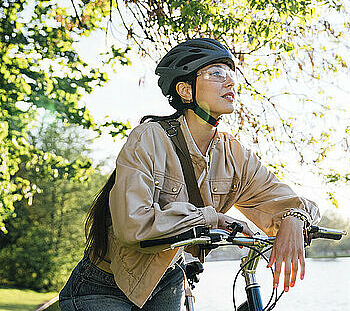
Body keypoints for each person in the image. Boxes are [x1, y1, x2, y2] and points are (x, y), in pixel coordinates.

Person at [59, 38, 320, 310]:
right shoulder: (148, 138)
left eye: (231, 74)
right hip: (103, 286)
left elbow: (287, 199)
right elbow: (132, 224)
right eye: (217, 73)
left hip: (169, 281)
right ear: (185, 90)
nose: (230, 82)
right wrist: (212, 218)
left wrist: (293, 217)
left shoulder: (234, 154)